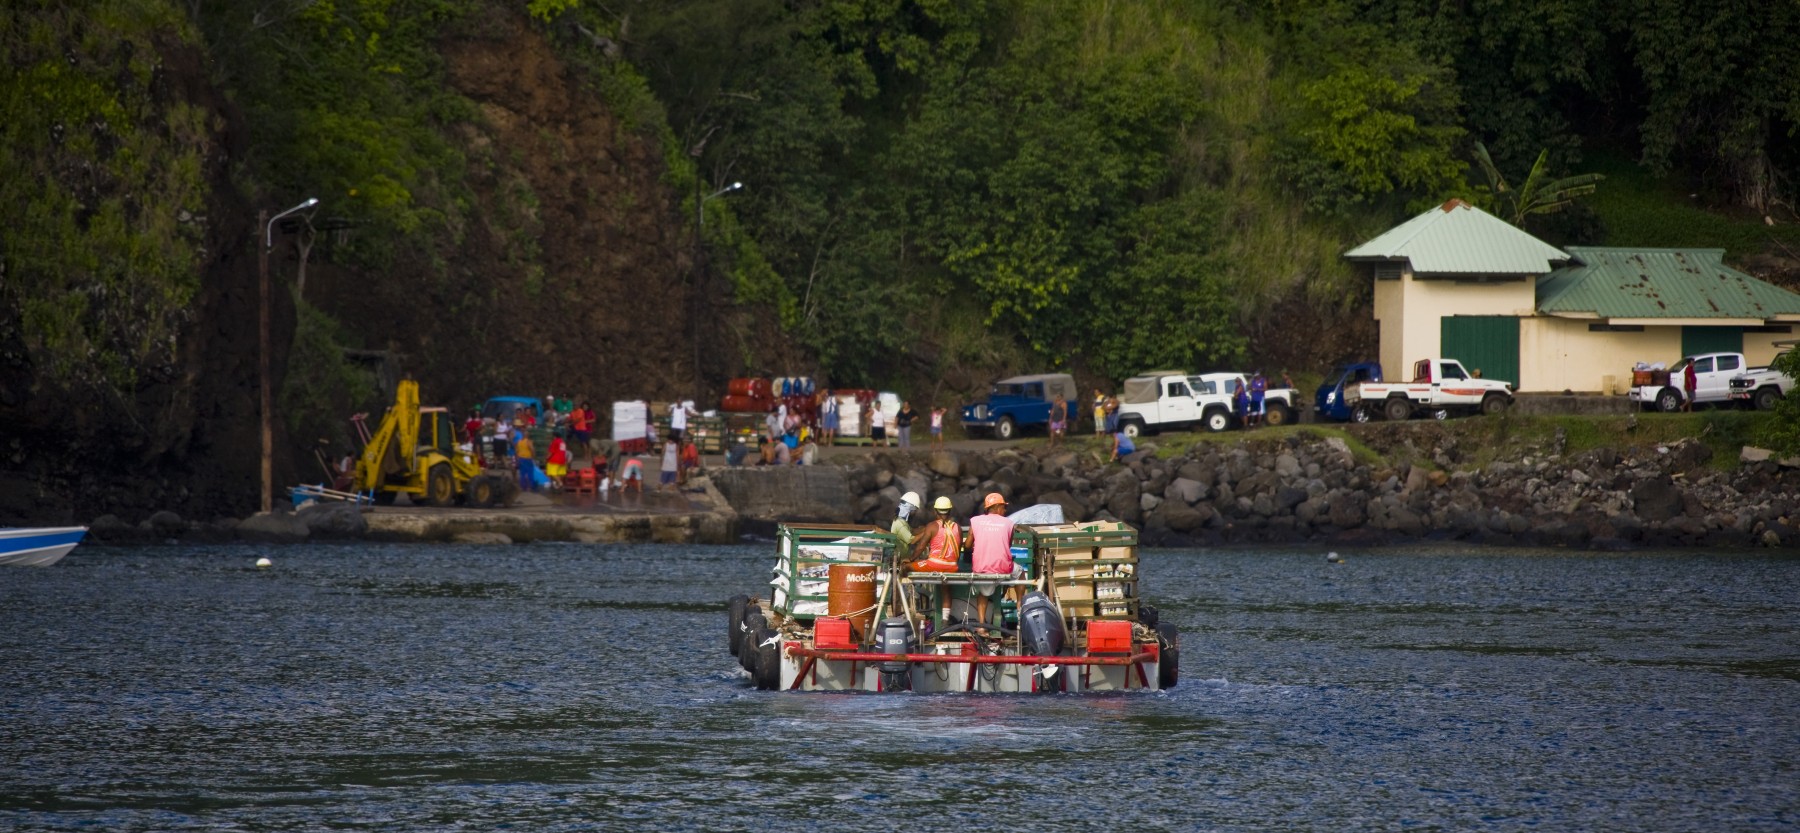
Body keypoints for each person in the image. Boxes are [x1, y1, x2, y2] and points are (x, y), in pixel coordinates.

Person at [966, 492, 1020, 625]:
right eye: (1003, 507)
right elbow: (1008, 545)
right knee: (1021, 573)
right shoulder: (1009, 523)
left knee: (983, 594)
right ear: (996, 507)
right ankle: (1019, 607)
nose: (1005, 510)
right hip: (1003, 568)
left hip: (982, 568)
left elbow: (967, 545)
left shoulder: (975, 521)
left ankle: (982, 626)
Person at [908, 496, 962, 624]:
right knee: (946, 588)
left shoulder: (932, 526)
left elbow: (921, 546)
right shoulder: (957, 527)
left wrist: (910, 559)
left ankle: (910, 597)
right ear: (950, 511)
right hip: (952, 567)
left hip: (934, 565)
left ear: (935, 511)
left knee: (906, 567)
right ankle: (944, 619)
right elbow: (958, 551)